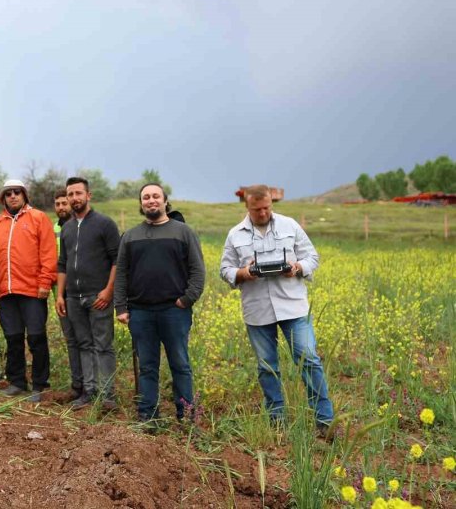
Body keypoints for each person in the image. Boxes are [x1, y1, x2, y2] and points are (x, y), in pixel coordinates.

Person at [219, 184, 333, 435]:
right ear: (247, 206)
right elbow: (225, 270)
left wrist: (297, 267)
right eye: (256, 209)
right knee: (267, 366)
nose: (262, 213)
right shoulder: (235, 234)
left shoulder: (290, 225)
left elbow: (312, 257)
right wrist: (243, 273)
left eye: (267, 208)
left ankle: (324, 420)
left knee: (309, 360)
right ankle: (276, 421)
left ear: (272, 203)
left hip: (293, 307)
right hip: (258, 310)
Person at [114, 183, 205, 425]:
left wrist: (186, 299)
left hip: (174, 311)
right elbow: (121, 273)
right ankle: (148, 417)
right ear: (141, 204)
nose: (151, 200)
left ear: (165, 201)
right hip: (140, 311)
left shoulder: (183, 232)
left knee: (180, 364)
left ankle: (185, 416)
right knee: (147, 366)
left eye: (156, 196)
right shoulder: (130, 236)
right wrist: (121, 307)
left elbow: (198, 271)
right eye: (146, 197)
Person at [0, 179, 57, 403]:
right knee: (13, 338)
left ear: (25, 195)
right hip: (6, 292)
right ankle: (17, 381)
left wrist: (45, 282)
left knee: (36, 337)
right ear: (3, 198)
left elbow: (48, 252)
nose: (13, 196)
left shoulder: (38, 218)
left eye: (17, 192)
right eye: (8, 193)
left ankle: (40, 384)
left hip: (32, 291)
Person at [55, 177, 121, 410]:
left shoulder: (105, 224)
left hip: (98, 296)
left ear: (88, 195)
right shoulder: (68, 228)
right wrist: (60, 295)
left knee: (103, 345)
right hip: (73, 297)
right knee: (84, 344)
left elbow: (117, 260)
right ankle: (88, 392)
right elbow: (62, 263)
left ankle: (107, 395)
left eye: (78, 193)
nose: (74, 198)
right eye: (70, 194)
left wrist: (108, 291)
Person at [52, 188, 83, 400]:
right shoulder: (52, 227)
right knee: (70, 338)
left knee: (86, 340)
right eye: (58, 204)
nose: (62, 207)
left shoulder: (83, 225)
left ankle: (94, 386)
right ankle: (77, 384)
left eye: (65, 202)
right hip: (60, 292)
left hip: (82, 291)